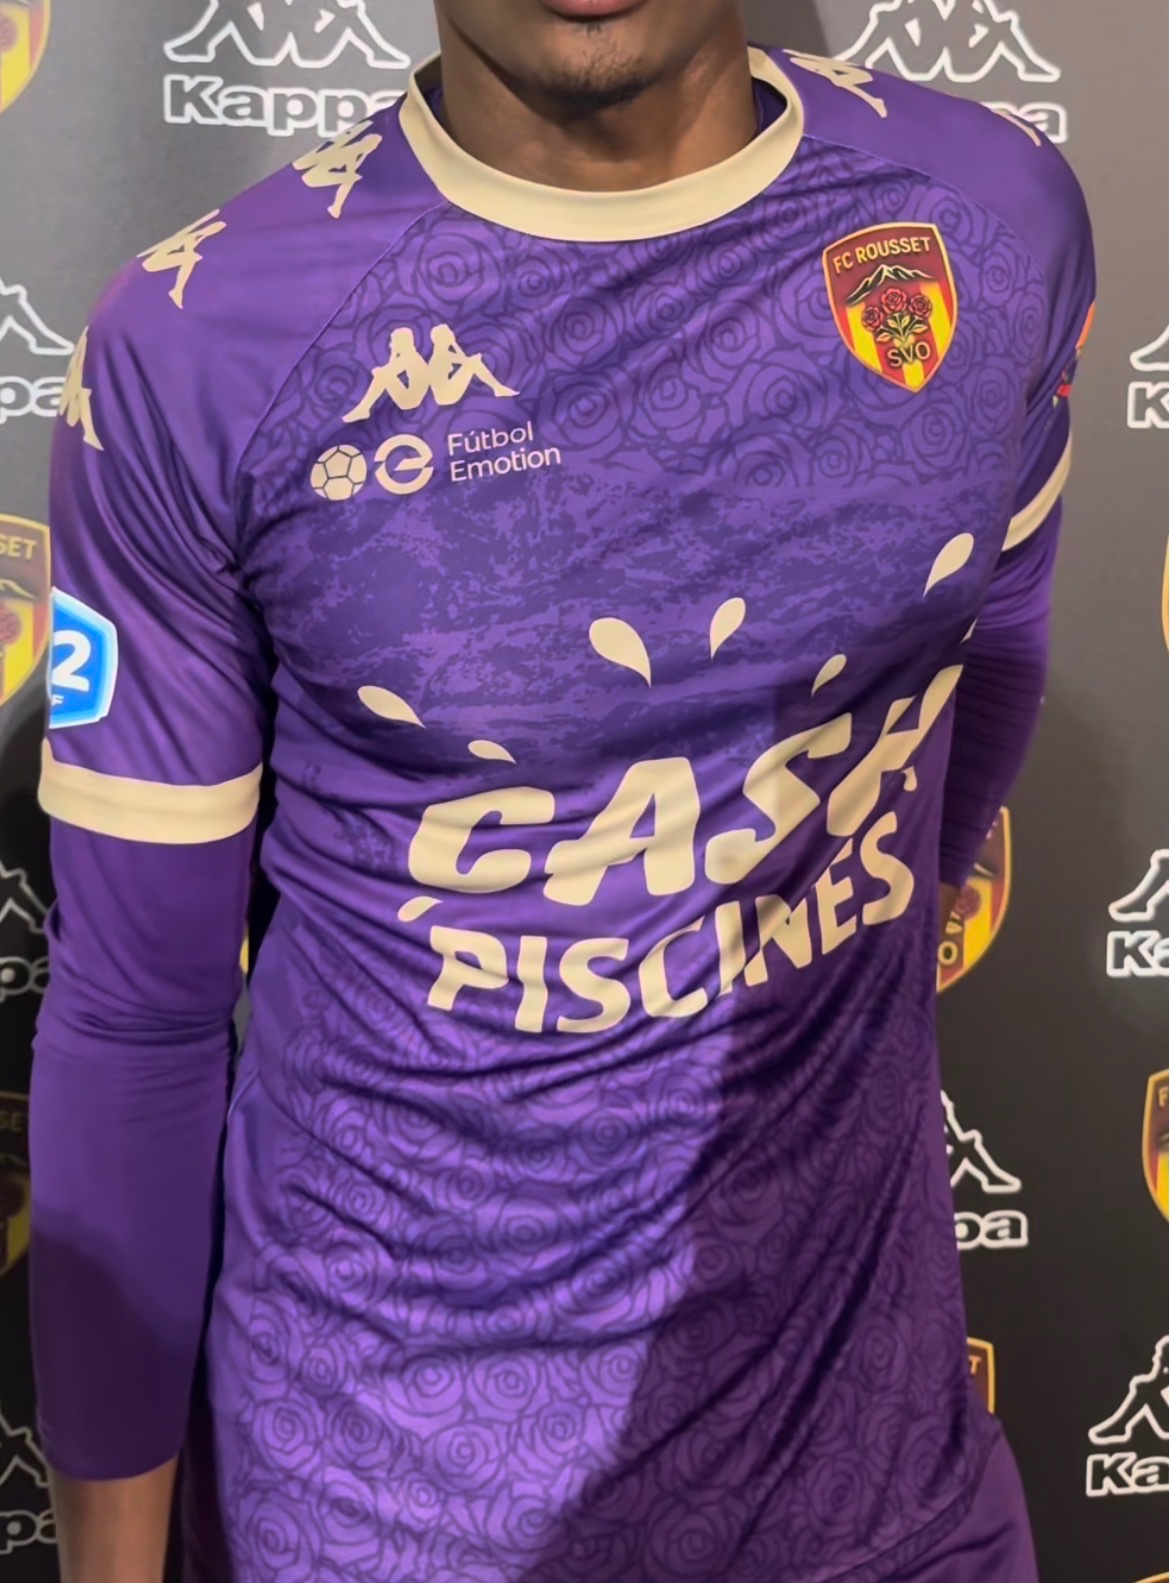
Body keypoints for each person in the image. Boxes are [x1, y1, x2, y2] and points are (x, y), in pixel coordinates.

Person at [29, 1, 1094, 1580]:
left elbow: (989, 648)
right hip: (384, 1512)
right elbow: (138, 1018)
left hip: (880, 1487)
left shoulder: (985, 219)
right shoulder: (200, 340)